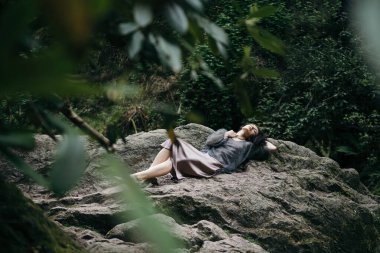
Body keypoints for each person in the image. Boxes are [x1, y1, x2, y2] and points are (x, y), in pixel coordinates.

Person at [131, 124, 277, 185]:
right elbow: (210, 141)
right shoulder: (224, 132)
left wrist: (261, 139)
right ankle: (150, 175)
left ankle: (138, 177)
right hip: (203, 155)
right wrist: (226, 135)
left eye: (254, 130)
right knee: (172, 141)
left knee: (177, 161)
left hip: (214, 164)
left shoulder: (249, 147)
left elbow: (272, 147)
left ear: (253, 136)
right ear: (242, 126)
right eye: (251, 125)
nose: (252, 127)